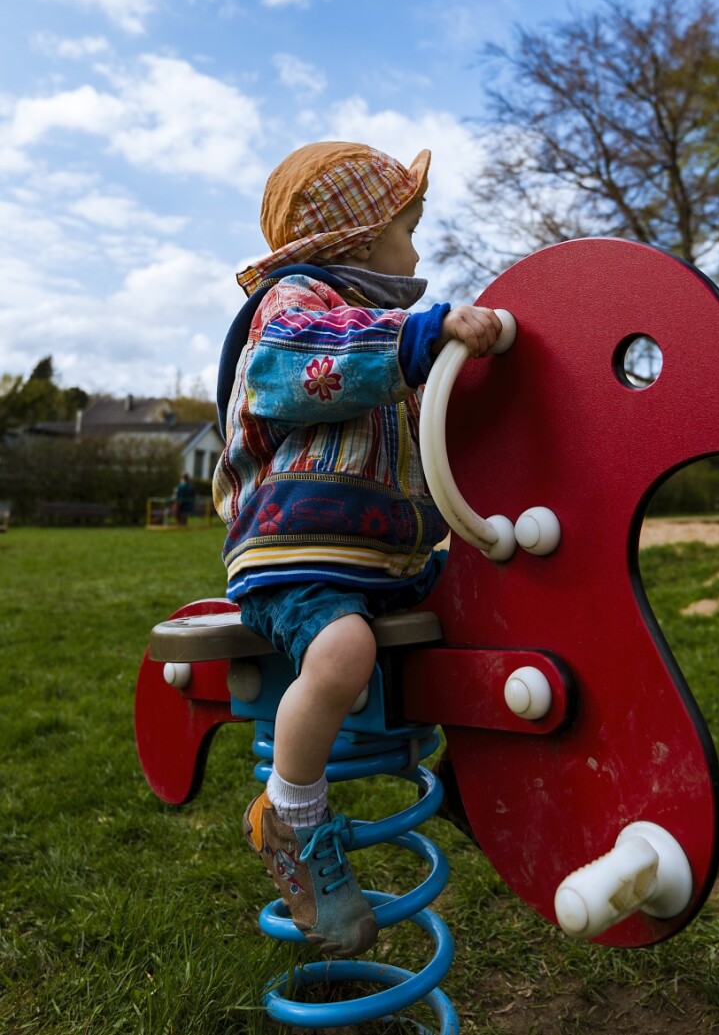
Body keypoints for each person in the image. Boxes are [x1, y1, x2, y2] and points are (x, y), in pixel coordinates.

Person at [213, 141, 502, 957]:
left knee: (491, 609)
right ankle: (292, 821)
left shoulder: (379, 327)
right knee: (342, 652)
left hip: (384, 558)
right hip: (293, 555)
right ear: (355, 236)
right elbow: (299, 366)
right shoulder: (294, 304)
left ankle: (472, 778)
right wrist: (417, 337)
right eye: (407, 228)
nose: (415, 249)